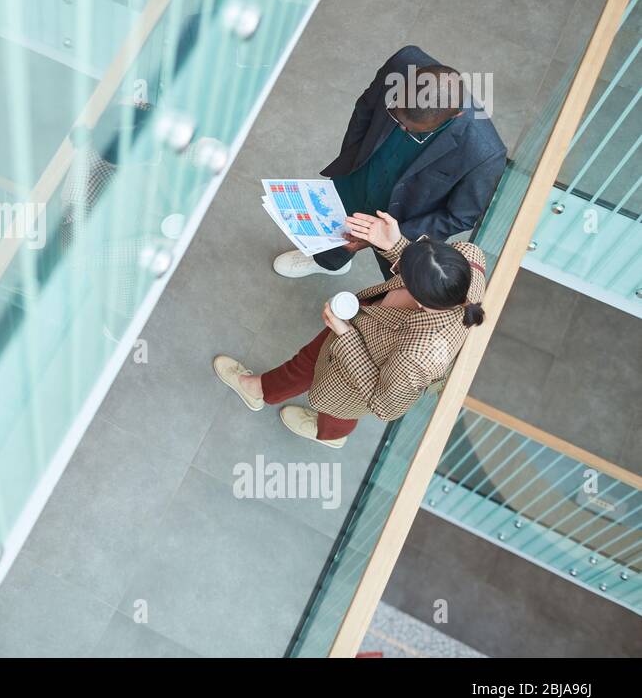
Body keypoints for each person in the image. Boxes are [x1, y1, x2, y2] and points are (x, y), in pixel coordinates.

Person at [214, 210, 486, 448]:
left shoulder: (418, 357)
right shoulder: (468, 256)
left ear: (420, 298)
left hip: (357, 369)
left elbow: (385, 405)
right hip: (359, 322)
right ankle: (261, 389)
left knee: (340, 407)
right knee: (310, 361)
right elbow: (426, 266)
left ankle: (329, 435)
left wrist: (346, 336)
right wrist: (395, 244)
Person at [273, 45, 506, 281]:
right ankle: (327, 262)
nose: (402, 128)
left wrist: (386, 237)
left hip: (403, 220)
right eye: (397, 116)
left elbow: (460, 217)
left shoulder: (485, 154)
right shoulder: (403, 64)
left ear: (455, 116)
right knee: (335, 227)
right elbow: (365, 108)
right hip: (358, 178)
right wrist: (352, 156)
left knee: (395, 282)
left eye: (415, 132)